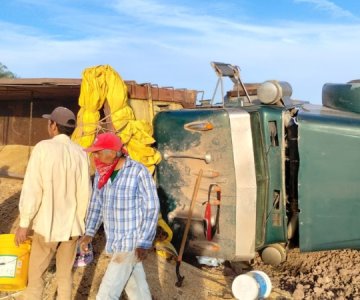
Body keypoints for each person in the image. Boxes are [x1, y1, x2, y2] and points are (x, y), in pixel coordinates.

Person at [14, 106, 91, 300]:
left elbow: (33, 188)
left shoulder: (43, 148)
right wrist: (82, 225)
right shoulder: (81, 153)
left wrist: (24, 223)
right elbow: (85, 194)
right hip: (72, 228)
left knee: (36, 278)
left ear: (53, 125)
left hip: (46, 227)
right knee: (65, 278)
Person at [79, 132, 160, 300]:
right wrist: (89, 233)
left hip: (131, 242)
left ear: (112, 152)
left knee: (106, 295)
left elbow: (151, 207)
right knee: (137, 289)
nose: (95, 155)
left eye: (98, 151)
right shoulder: (102, 174)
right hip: (114, 242)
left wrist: (144, 242)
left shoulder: (138, 172)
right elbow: (96, 205)